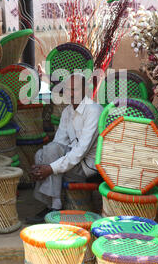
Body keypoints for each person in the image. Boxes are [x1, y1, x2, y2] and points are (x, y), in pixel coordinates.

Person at [28, 72, 103, 223]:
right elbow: (58, 143)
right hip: (72, 162)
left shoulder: (93, 111)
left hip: (87, 168)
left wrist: (50, 168)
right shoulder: (67, 111)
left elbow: (80, 152)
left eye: (75, 89)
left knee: (50, 160)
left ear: (85, 91)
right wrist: (43, 165)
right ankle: (53, 204)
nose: (70, 93)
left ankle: (53, 207)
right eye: (68, 89)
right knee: (44, 153)